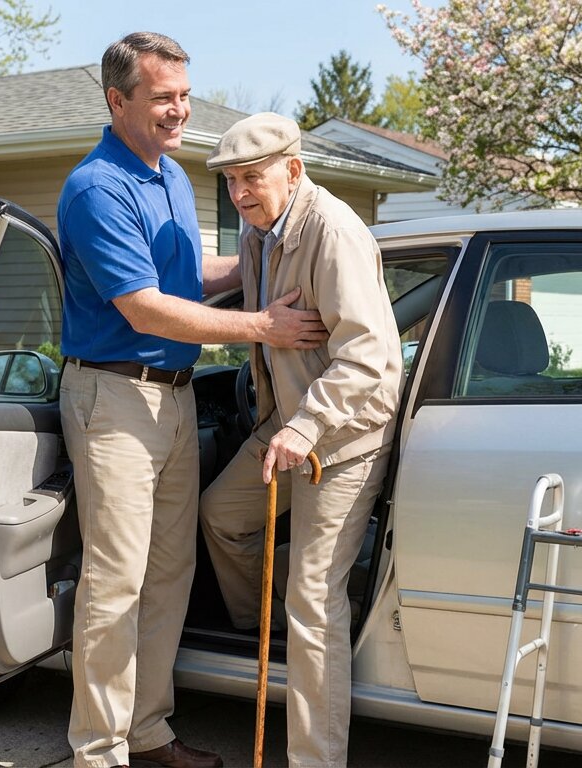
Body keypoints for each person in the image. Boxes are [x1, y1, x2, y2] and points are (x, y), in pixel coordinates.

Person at [56, 34, 327, 768]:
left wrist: (261, 259)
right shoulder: (95, 188)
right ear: (118, 101)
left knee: (168, 575)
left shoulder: (172, 177)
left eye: (183, 94)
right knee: (114, 582)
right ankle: (100, 751)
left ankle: (146, 732)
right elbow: (145, 308)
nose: (179, 110)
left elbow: (184, 275)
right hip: (112, 398)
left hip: (174, 400)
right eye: (162, 98)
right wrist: (263, 325)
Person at [199, 112, 403, 767]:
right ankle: (258, 630)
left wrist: (305, 426)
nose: (239, 194)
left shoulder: (333, 231)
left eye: (250, 178)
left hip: (342, 439)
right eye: (230, 182)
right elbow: (262, 323)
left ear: (293, 168)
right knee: (221, 518)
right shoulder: (260, 235)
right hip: (283, 428)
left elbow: (369, 358)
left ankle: (315, 758)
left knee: (315, 600)